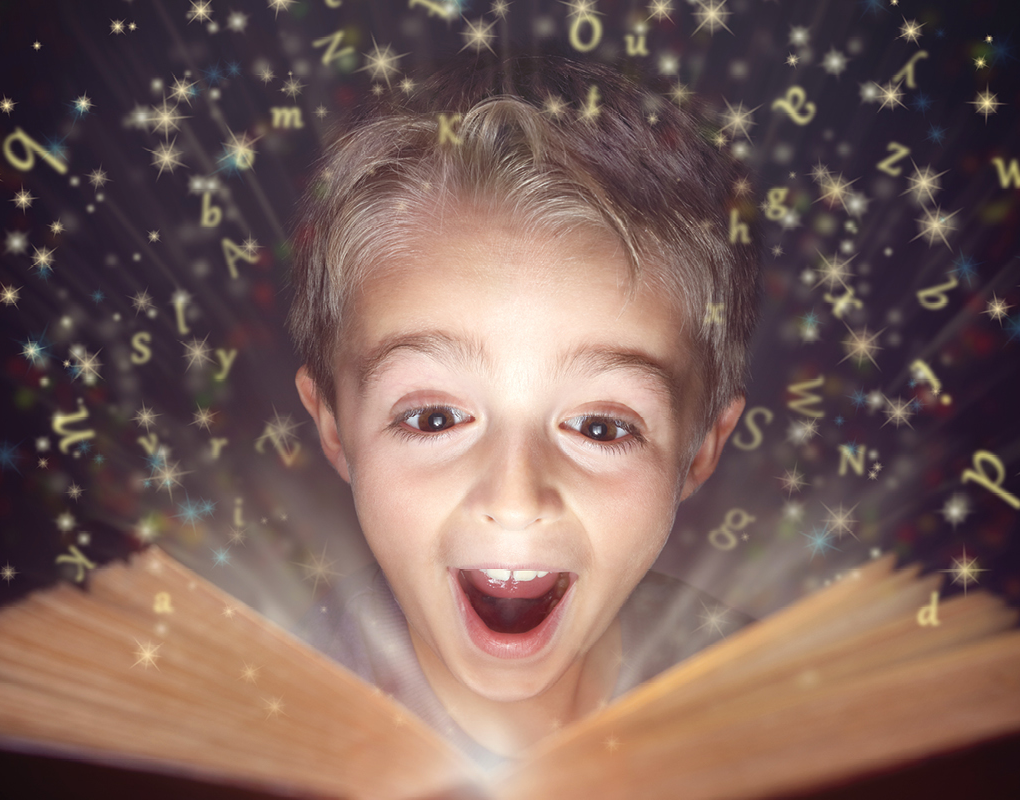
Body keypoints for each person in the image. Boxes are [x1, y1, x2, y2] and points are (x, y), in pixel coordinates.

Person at [287, 55, 760, 768]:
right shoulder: (252, 719)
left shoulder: (774, 711)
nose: (514, 502)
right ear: (334, 427)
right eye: (434, 419)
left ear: (699, 448)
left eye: (601, 428)